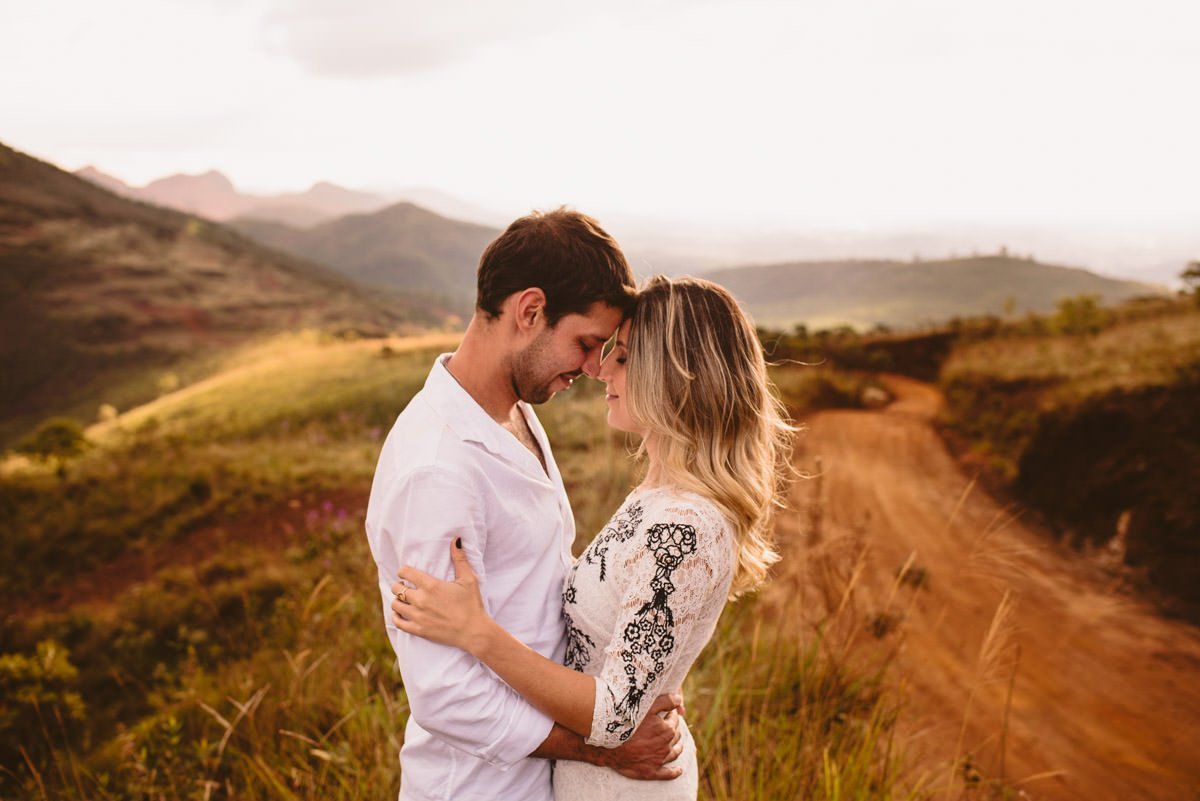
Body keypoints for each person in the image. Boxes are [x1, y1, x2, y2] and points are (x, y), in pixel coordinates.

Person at [390, 275, 795, 800]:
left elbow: (614, 718)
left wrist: (477, 632)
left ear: (677, 376)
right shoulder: (659, 493)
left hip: (624, 786)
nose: (600, 369)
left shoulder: (685, 526)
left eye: (622, 357)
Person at [364, 209, 687, 801]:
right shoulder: (437, 470)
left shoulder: (512, 413)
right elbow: (445, 694)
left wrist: (632, 676)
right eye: (586, 344)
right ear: (530, 311)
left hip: (539, 777)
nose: (594, 368)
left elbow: (539, 591)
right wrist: (599, 744)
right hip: (479, 788)